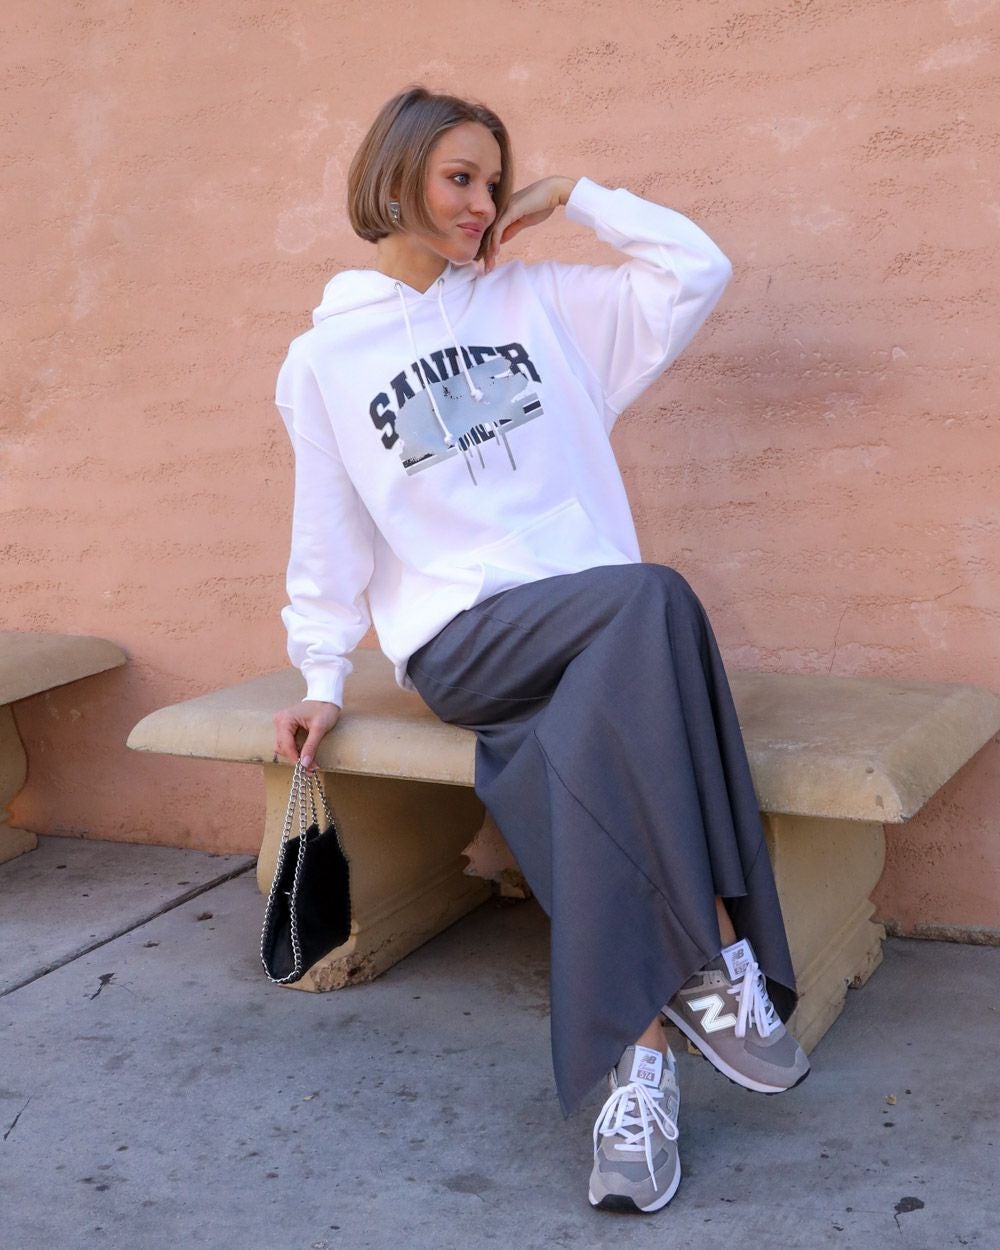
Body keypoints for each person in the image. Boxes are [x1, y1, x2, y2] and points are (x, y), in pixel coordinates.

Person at [272, 85, 808, 1214]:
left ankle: (640, 1069)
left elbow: (695, 270)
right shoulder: (324, 359)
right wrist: (320, 672)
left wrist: (580, 198)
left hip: (600, 636)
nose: (482, 203)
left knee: (587, 741)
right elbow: (329, 531)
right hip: (464, 639)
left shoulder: (543, 303)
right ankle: (716, 950)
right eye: (458, 178)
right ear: (396, 177)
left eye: (495, 181)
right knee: (653, 599)